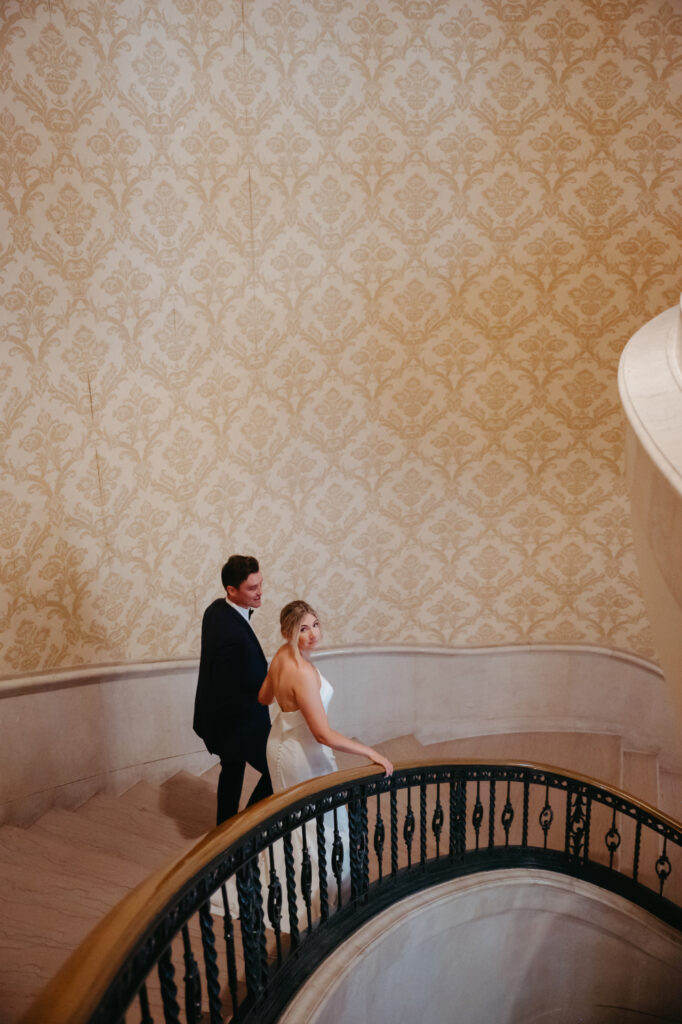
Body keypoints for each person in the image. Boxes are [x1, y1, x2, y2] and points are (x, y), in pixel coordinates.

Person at [255, 600, 393, 924]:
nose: (312, 634)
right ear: (288, 631)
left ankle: (297, 883)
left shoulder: (280, 655)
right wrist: (369, 752)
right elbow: (322, 735)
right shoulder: (301, 672)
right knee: (321, 825)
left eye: (315, 624)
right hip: (300, 754)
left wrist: (289, 713)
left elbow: (264, 698)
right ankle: (320, 900)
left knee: (303, 821)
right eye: (303, 629)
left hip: (281, 743)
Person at [193, 555, 273, 825]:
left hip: (224, 721)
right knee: (277, 767)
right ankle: (246, 828)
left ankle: (225, 830)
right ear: (231, 590)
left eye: (260, 584)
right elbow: (230, 688)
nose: (260, 592)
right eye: (252, 588)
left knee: (232, 771)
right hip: (239, 723)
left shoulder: (216, 609)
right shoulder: (231, 635)